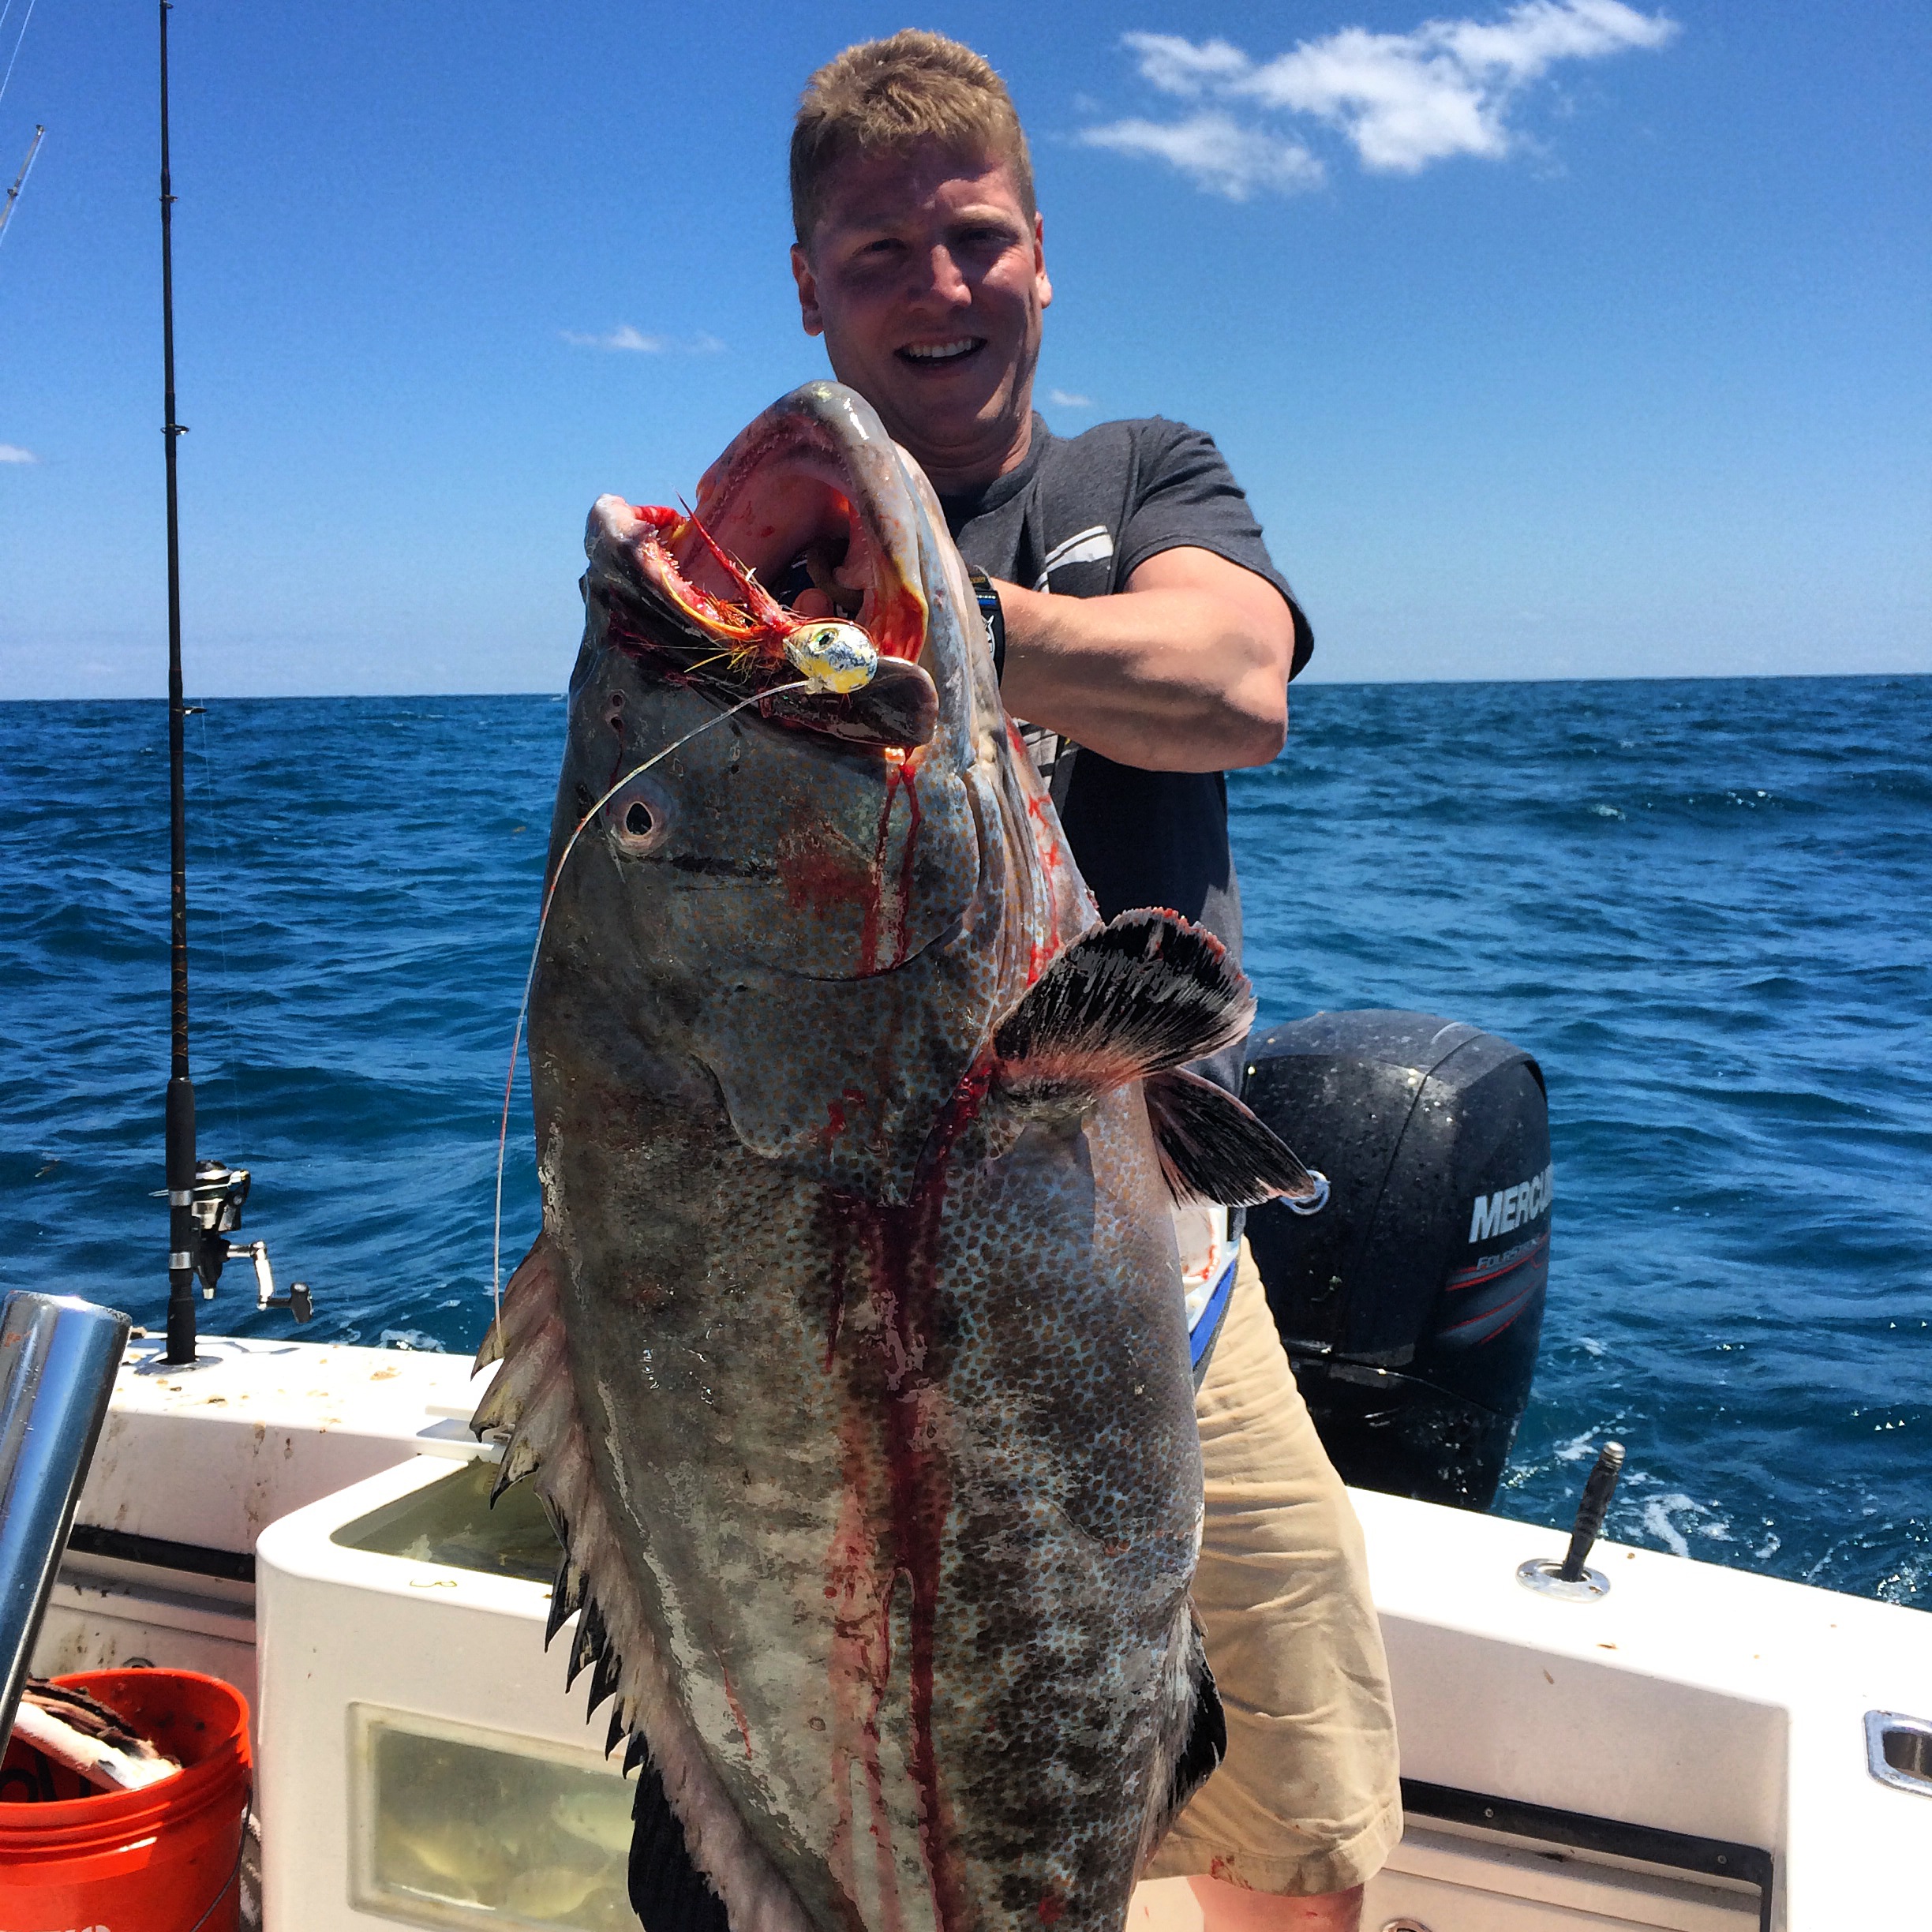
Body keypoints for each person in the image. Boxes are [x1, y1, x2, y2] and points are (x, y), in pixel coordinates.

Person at [782, 32, 1402, 1932]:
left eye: (972, 237)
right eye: (877, 255)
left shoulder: (1146, 477)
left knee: (1303, 1816)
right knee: (891, 1809)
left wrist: (947, 634)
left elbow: (1236, 693)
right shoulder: (760, 560)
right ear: (809, 289)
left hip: (1173, 1289)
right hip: (858, 1317)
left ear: (1044, 255)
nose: (937, 288)